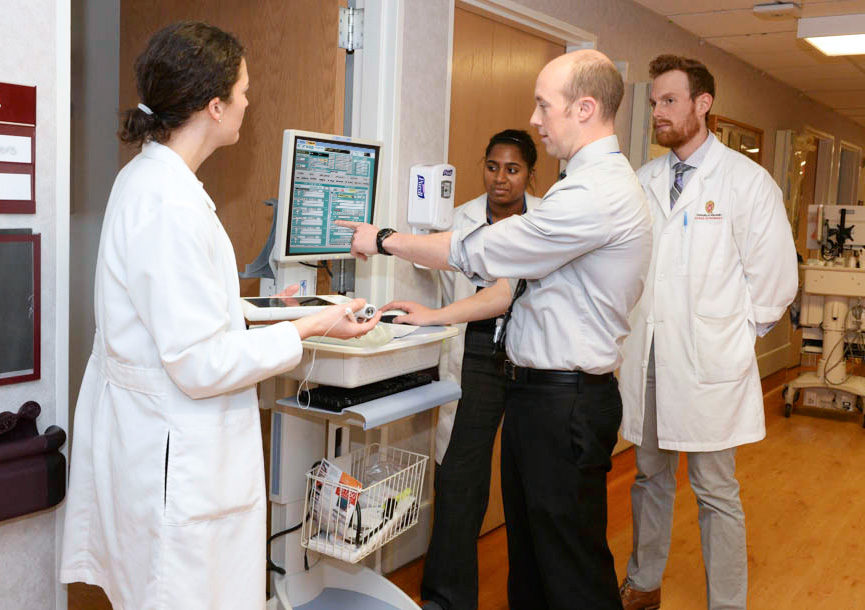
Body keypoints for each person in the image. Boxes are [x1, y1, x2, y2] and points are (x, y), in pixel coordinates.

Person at [59, 22, 379, 610]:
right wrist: (309, 328)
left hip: (159, 439)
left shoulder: (155, 181)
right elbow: (199, 361)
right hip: (174, 455)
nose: (248, 102)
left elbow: (177, 312)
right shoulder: (168, 204)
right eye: (243, 90)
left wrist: (270, 310)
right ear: (213, 105)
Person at [338, 49, 652, 610]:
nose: (535, 119)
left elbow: (488, 249)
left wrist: (385, 239)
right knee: (531, 561)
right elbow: (516, 284)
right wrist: (433, 315)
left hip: (566, 401)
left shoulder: (594, 193)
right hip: (542, 396)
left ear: (583, 108)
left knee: (570, 568)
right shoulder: (576, 188)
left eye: (543, 105)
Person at [617, 55, 797, 610]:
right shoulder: (642, 179)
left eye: (669, 102)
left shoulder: (746, 182)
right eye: (654, 104)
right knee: (649, 478)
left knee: (716, 491)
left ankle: (727, 603)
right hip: (647, 355)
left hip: (711, 364)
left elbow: (775, 281)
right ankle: (644, 583)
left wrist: (732, 337)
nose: (659, 113)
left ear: (703, 104)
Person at [382, 129, 541, 610]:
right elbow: (435, 271)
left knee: (532, 483)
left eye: (513, 169)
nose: (501, 179)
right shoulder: (461, 221)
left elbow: (507, 293)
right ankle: (446, 601)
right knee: (459, 481)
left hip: (530, 361)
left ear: (530, 174)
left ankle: (533, 596)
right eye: (493, 167)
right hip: (473, 357)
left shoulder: (549, 220)